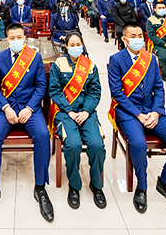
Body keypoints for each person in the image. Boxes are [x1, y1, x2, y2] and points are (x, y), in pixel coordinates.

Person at [108, 23, 166, 215]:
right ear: (124, 39)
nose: (138, 39)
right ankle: (142, 186)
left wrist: (156, 112)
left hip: (152, 110)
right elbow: (117, 93)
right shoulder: (116, 60)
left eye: (140, 35)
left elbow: (159, 87)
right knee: (138, 144)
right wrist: (138, 114)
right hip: (129, 112)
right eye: (133, 36)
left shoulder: (151, 59)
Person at [0, 23, 53, 224]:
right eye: (12, 38)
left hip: (30, 109)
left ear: (24, 37)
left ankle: (40, 187)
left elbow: (41, 86)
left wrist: (29, 108)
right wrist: (6, 107)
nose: (16, 41)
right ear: (7, 39)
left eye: (19, 37)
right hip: (5, 109)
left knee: (43, 136)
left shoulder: (34, 56)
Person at [48, 32, 106, 209]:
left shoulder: (90, 65)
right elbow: (54, 90)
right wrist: (69, 111)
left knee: (97, 144)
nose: (75, 47)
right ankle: (74, 185)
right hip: (65, 112)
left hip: (86, 113)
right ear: (66, 46)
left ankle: (96, 185)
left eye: (78, 44)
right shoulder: (59, 64)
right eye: (71, 45)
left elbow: (95, 92)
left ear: (82, 45)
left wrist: (86, 111)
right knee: (72, 145)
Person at [145, 2, 166, 82]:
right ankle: (165, 73)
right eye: (159, 8)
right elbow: (152, 36)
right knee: (164, 58)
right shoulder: (150, 20)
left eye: (163, 8)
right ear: (155, 9)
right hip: (160, 44)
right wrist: (164, 44)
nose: (162, 9)